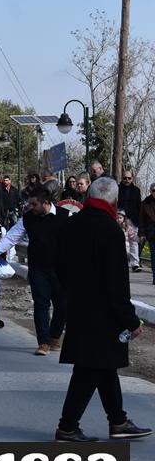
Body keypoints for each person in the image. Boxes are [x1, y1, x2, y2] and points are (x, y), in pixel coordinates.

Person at [54, 176, 151, 442]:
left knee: (104, 365)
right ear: (115, 201)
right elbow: (116, 283)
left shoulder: (70, 225)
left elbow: (58, 267)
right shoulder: (110, 231)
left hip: (77, 307)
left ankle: (118, 421)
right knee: (89, 369)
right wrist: (130, 320)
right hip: (103, 314)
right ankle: (67, 427)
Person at [0, 185, 69, 356]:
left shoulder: (66, 216)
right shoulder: (28, 218)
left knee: (62, 305)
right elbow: (11, 237)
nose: (31, 208)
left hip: (61, 269)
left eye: (34, 204)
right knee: (41, 304)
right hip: (38, 268)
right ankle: (43, 342)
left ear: (45, 202)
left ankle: (55, 335)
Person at [118, 170, 142, 272]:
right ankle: (120, 261)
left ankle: (135, 264)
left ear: (132, 178)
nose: (127, 180)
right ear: (122, 178)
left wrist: (139, 219)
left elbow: (139, 205)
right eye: (125, 178)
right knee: (120, 241)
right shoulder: (117, 189)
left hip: (133, 219)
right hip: (120, 219)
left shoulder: (136, 190)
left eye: (129, 178)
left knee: (134, 242)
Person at [139, 182, 155, 286]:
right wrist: (142, 234)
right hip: (152, 233)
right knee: (154, 255)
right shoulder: (145, 203)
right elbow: (141, 220)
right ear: (150, 191)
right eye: (154, 190)